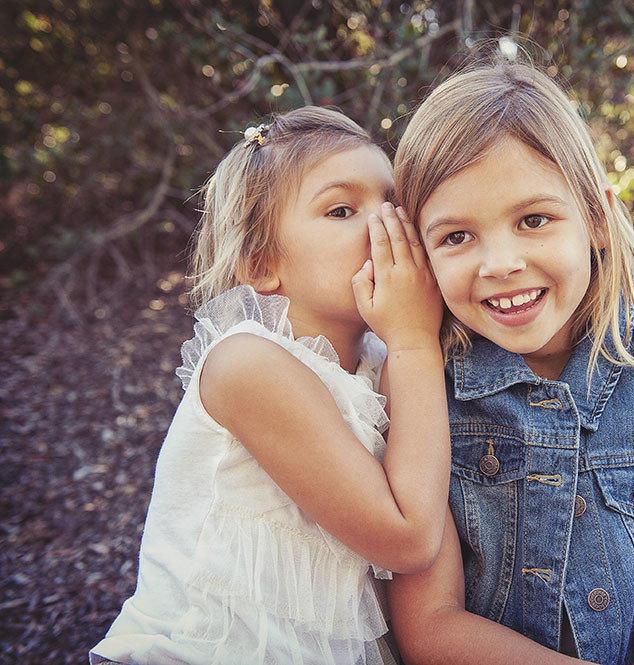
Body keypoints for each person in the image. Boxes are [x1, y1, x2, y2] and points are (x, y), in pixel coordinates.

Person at [387, 60, 634, 665]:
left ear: (597, 220)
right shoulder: (424, 389)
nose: (500, 262)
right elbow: (430, 628)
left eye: (534, 220)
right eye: (456, 237)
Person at [90, 106, 450, 665]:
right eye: (341, 209)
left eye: (393, 202)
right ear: (260, 263)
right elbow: (408, 538)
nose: (386, 226)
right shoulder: (248, 363)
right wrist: (414, 341)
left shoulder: (386, 362)